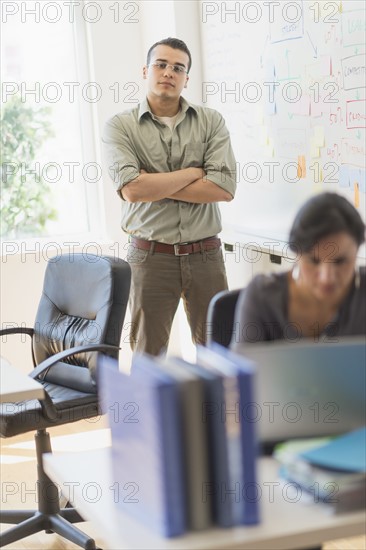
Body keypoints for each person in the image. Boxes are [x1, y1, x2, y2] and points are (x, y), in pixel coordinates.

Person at [102, 37, 237, 355]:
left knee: (220, 356)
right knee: (148, 357)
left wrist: (155, 182)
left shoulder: (211, 121)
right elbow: (133, 190)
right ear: (146, 70)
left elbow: (223, 188)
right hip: (150, 257)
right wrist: (194, 172)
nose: (168, 72)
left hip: (206, 256)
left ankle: (214, 409)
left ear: (186, 78)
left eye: (178, 68)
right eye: (161, 64)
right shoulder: (120, 127)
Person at [232, 192, 366, 347]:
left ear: (357, 251)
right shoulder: (263, 297)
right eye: (313, 261)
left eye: (341, 261)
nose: (327, 277)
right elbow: (244, 369)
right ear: (296, 254)